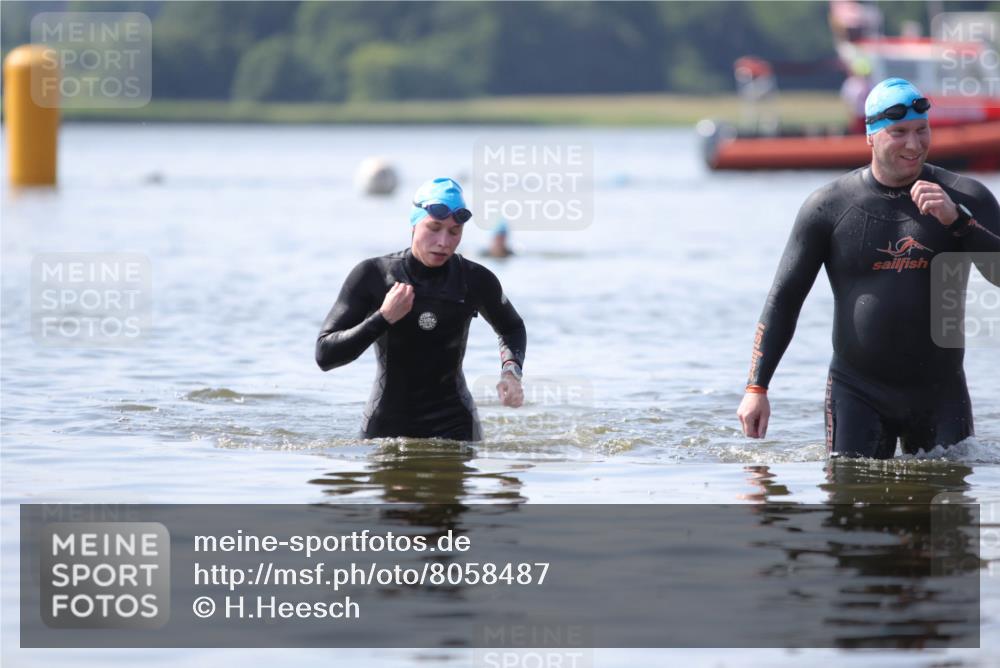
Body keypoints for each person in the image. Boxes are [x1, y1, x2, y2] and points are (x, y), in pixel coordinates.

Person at [737, 77, 1000, 459]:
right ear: (870, 136)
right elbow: (784, 299)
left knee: (947, 507)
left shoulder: (965, 197)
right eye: (898, 132)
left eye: (921, 131)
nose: (914, 144)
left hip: (941, 393)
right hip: (857, 392)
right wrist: (756, 389)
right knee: (852, 511)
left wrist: (957, 221)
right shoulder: (829, 206)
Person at [316, 177, 526, 441]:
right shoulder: (373, 275)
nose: (443, 241)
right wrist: (383, 318)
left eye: (454, 231)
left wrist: (511, 371)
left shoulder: (474, 280)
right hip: (386, 427)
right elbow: (325, 354)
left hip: (456, 427)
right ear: (415, 223)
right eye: (434, 227)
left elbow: (511, 327)